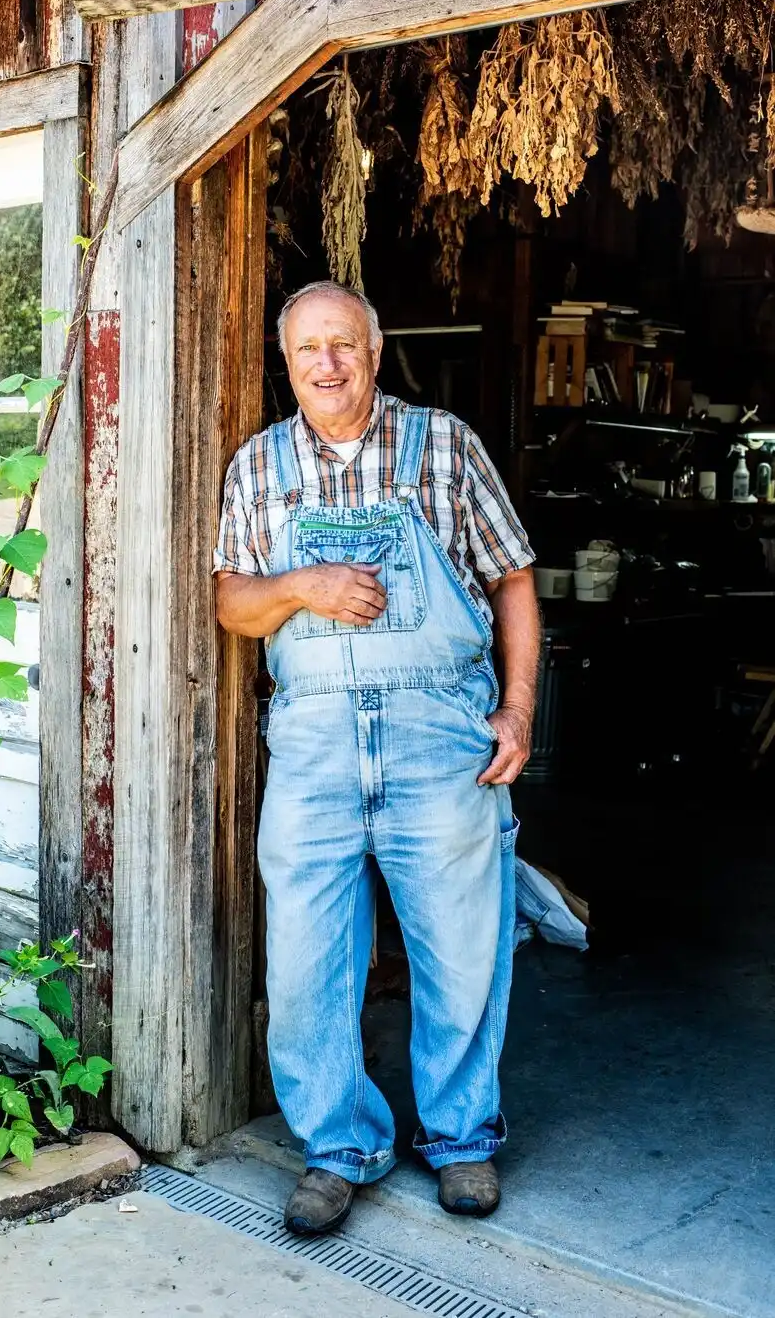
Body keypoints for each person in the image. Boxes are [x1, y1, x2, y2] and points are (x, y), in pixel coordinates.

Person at [214, 280, 540, 1236]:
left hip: (438, 732)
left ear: (373, 348)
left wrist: (517, 711)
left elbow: (512, 579)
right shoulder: (258, 463)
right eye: (308, 349)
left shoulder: (443, 444)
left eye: (343, 345)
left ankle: (461, 1138)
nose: (327, 363)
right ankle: (339, 1144)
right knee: (309, 958)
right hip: (313, 740)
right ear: (287, 364)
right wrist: (302, 584)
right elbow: (235, 605)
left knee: (459, 943)